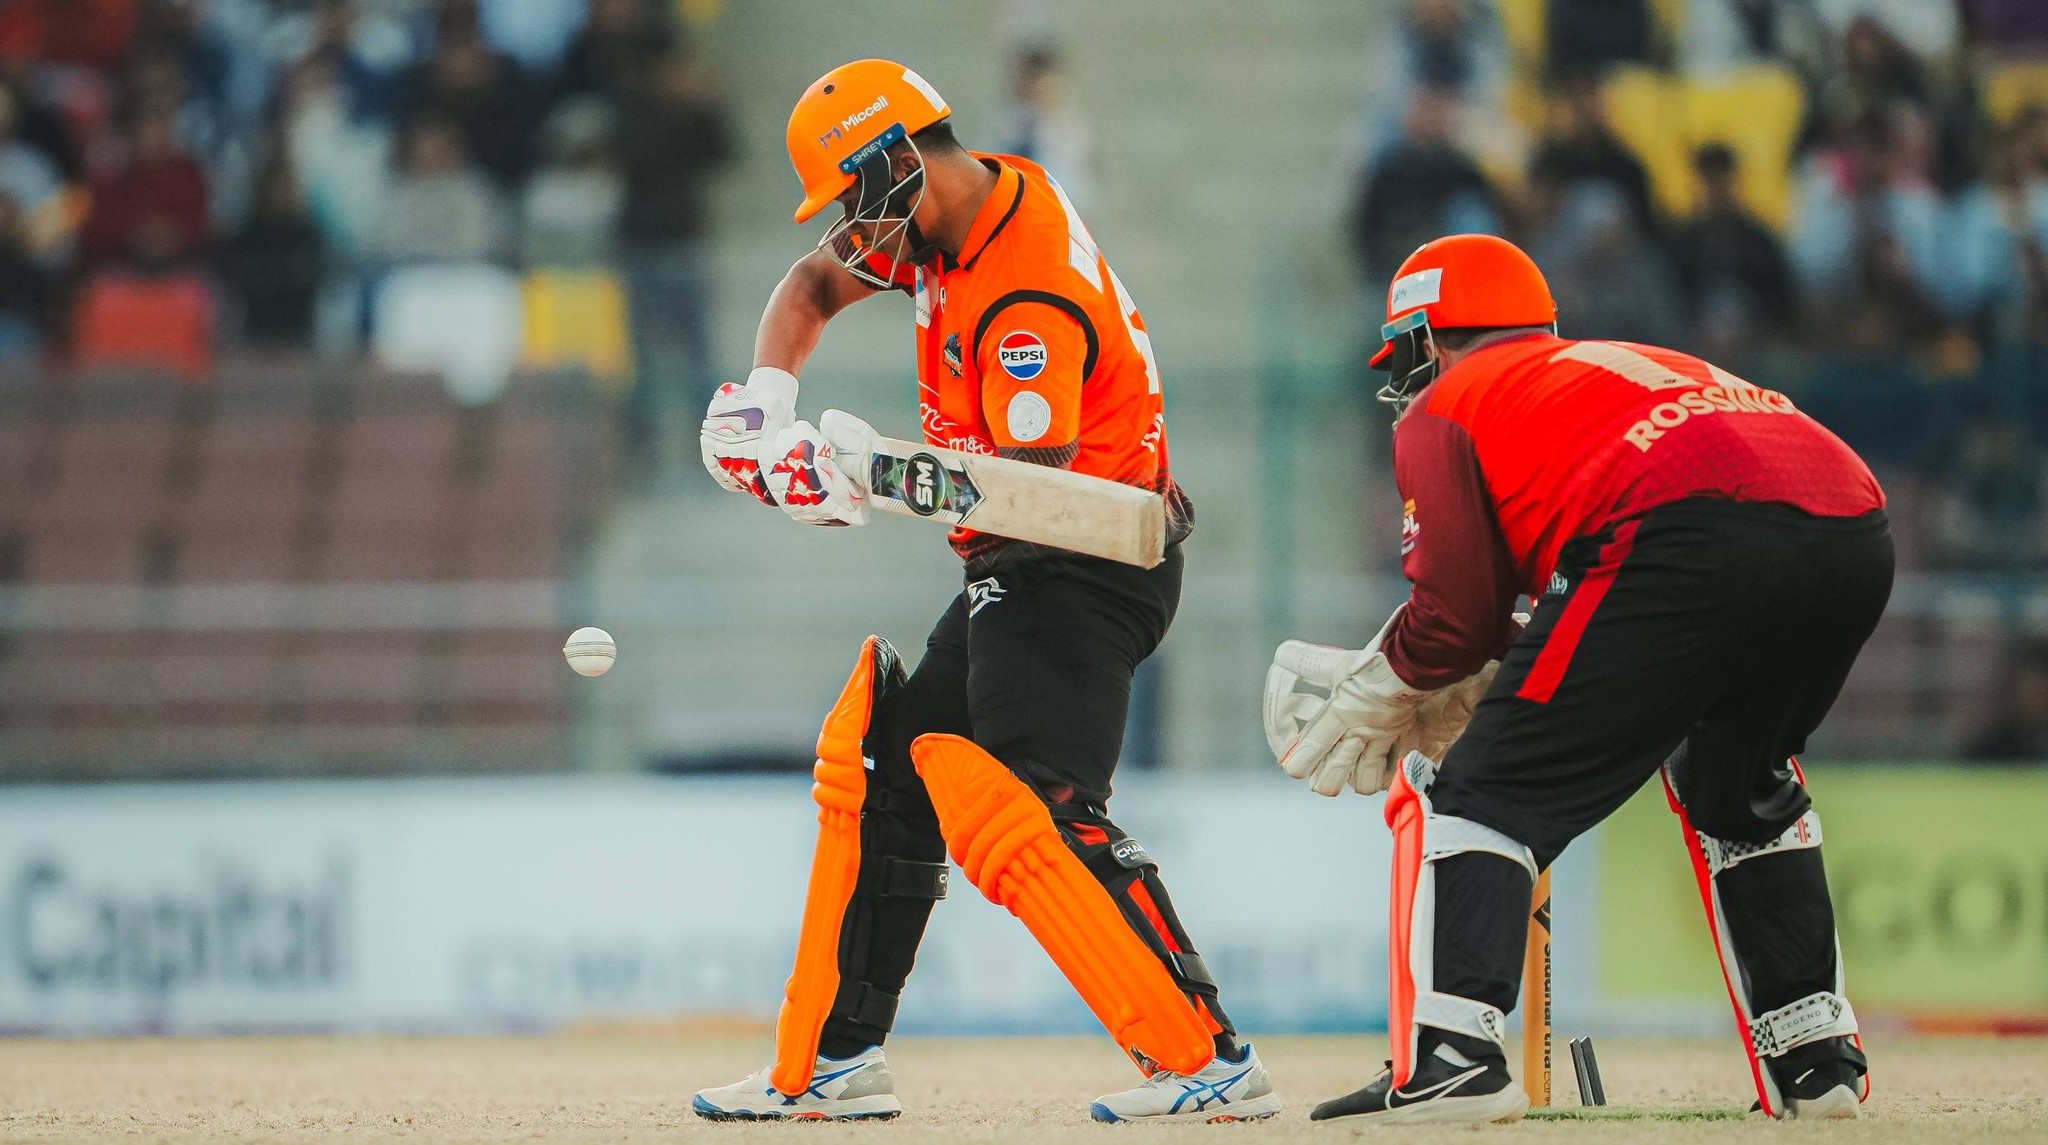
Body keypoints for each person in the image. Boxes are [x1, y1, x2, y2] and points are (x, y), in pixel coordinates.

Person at [689, 59, 1277, 1125]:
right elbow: (810, 285)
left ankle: (1208, 1056)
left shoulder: (1023, 295)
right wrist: (765, 408)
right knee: (894, 767)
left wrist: (856, 478)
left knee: (1038, 806)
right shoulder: (947, 209)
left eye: (854, 203)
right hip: (1025, 559)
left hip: (1084, 561)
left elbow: (1027, 486)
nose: (851, 233)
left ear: (898, 163)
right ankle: (838, 1059)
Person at [1263, 234, 1889, 1124]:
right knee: (1737, 782)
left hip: (1681, 532)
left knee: (1484, 790)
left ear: (1429, 339)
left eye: (1405, 357)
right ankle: (1817, 1061)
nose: (1404, 382)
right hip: (1852, 526)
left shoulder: (1452, 404)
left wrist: (1383, 681)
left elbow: (1457, 620)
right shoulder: (1605, 369)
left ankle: (1456, 1060)